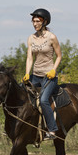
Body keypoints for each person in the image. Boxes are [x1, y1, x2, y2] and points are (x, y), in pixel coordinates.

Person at [22, 8, 62, 140]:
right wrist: (27, 73)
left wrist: (53, 70)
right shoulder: (31, 38)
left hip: (48, 77)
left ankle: (52, 130)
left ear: (44, 22)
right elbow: (29, 58)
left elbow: (59, 56)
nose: (35, 24)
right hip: (35, 75)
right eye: (33, 21)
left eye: (37, 21)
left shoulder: (52, 37)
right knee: (19, 92)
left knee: (44, 100)